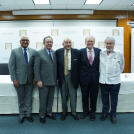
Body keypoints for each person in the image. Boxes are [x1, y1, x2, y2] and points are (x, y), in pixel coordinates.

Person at [8, 36, 38, 123]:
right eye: (23, 40)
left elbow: (35, 67)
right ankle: (21, 114)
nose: (25, 41)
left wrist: (35, 78)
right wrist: (14, 79)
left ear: (29, 42)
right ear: (20, 41)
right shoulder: (14, 51)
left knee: (29, 98)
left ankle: (28, 114)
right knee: (21, 98)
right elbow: (11, 66)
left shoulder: (33, 51)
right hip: (19, 79)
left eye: (27, 40)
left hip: (30, 79)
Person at [99, 37, 124, 124]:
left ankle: (113, 115)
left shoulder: (119, 53)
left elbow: (122, 66)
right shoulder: (101, 53)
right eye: (107, 43)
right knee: (104, 99)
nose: (109, 45)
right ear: (105, 44)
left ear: (114, 44)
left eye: (110, 43)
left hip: (115, 82)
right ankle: (105, 113)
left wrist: (115, 75)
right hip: (104, 81)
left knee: (114, 100)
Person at [34, 36, 57, 124]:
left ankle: (49, 113)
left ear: (52, 43)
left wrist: (57, 79)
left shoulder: (55, 53)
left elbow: (56, 67)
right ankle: (42, 115)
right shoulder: (38, 53)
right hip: (43, 81)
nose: (49, 43)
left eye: (50, 42)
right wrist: (38, 80)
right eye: (47, 42)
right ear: (43, 43)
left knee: (50, 99)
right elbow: (36, 68)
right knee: (43, 100)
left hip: (53, 80)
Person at [56, 38, 80, 121]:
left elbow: (79, 66)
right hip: (62, 76)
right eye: (66, 42)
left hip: (73, 76)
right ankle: (64, 113)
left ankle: (74, 113)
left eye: (70, 42)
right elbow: (56, 66)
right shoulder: (58, 52)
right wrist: (57, 78)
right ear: (63, 44)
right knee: (63, 96)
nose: (68, 44)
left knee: (73, 96)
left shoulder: (76, 52)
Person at [79, 36, 101, 121]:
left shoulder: (99, 51)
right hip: (84, 78)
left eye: (91, 41)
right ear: (85, 42)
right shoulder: (80, 51)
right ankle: (85, 111)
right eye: (88, 41)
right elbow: (78, 65)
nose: (90, 42)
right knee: (84, 96)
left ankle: (92, 112)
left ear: (94, 42)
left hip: (95, 78)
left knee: (93, 96)